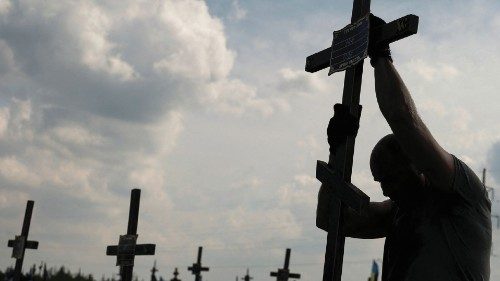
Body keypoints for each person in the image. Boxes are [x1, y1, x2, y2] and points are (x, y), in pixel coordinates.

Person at [317, 15, 492, 281]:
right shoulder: (398, 213)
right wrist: (336, 150)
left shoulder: (460, 193)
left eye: (391, 177)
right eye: (380, 181)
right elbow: (331, 220)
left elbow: (404, 120)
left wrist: (380, 56)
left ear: (414, 162)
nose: (385, 189)